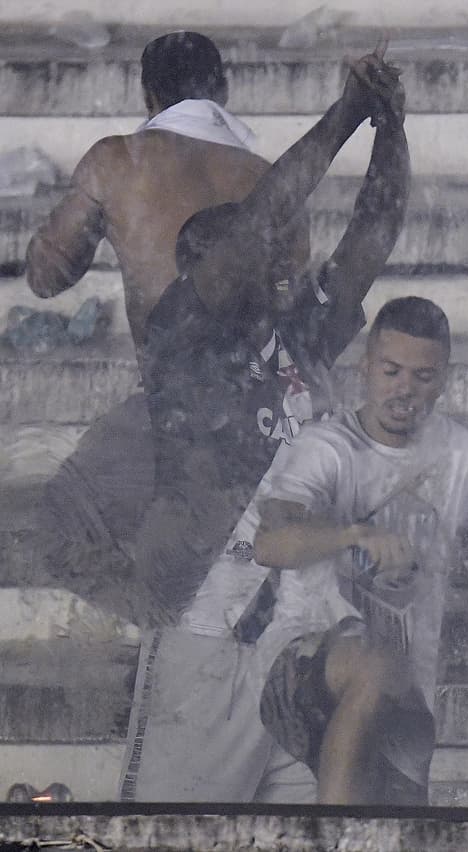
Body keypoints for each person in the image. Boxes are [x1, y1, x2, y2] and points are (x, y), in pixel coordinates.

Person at [123, 297, 468, 804]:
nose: (405, 389)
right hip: (261, 653)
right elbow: (272, 542)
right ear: (365, 368)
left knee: (394, 822)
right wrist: (353, 536)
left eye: (423, 376)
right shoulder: (324, 446)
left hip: (387, 694)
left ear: (445, 379)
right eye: (391, 371)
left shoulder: (461, 452)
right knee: (172, 831)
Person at [23, 31, 308, 625]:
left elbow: (47, 276)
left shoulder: (119, 160)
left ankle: (159, 620)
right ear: (223, 90)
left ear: (148, 95)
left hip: (173, 414)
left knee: (56, 526)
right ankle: (172, 623)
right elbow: (293, 309)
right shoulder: (267, 178)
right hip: (258, 413)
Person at [133, 45, 410, 624]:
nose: (268, 251)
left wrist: (390, 126)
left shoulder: (294, 330)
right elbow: (262, 217)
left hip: (303, 566)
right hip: (211, 586)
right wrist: (346, 112)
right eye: (238, 251)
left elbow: (371, 236)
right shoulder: (179, 333)